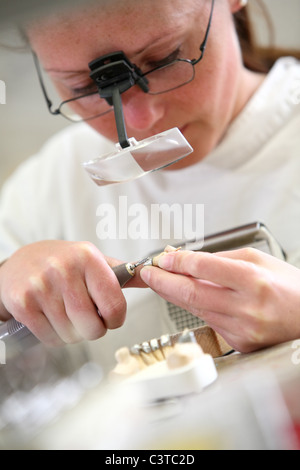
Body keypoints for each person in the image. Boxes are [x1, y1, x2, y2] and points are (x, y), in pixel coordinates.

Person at [0, 0, 299, 372]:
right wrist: (6, 286)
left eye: (165, 58)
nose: (141, 120)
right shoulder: (48, 188)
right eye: (87, 86)